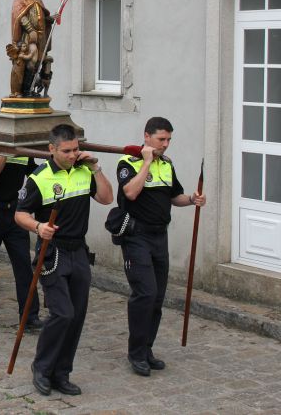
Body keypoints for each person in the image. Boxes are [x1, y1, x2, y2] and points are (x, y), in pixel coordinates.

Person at [14, 124, 113, 396]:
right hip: (52, 252)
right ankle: (42, 368)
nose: (73, 155)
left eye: (76, 149)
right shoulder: (39, 178)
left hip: (79, 251)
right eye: (67, 151)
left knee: (77, 316)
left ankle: (62, 373)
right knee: (62, 313)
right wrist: (38, 227)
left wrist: (96, 168)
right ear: (52, 149)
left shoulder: (84, 170)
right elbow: (19, 214)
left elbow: (106, 198)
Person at [118, 117, 207, 377]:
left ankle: (147, 349)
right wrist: (146, 162)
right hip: (136, 237)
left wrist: (191, 199)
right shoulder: (128, 163)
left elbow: (173, 196)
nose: (166, 145)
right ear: (147, 137)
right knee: (144, 294)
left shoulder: (167, 165)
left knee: (157, 297)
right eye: (161, 139)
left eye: (169, 140)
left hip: (159, 237)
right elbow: (131, 193)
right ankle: (135, 353)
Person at [0, 125, 42, 330]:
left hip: (14, 212)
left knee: (23, 264)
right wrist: (7, 150)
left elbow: (34, 172)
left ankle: (29, 316)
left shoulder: (21, 147)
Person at [7, 0, 55, 97]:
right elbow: (19, 16)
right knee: (29, 60)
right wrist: (30, 29)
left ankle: (31, 88)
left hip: (40, 37)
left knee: (38, 63)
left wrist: (50, 19)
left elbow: (42, 18)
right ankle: (24, 90)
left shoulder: (39, 1)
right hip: (27, 37)